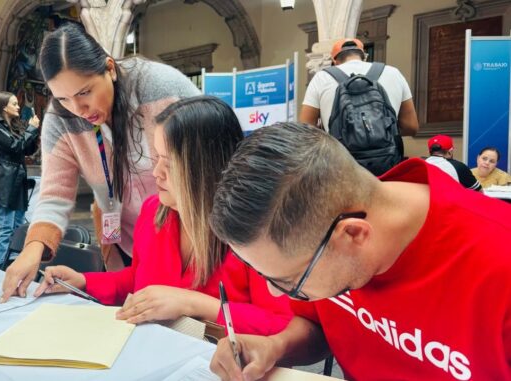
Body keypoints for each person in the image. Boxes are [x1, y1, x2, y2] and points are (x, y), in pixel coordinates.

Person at [208, 123, 511, 381]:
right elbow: (319, 324)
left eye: (290, 282)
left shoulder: (497, 266)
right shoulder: (328, 229)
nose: (277, 294)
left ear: (352, 234)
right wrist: (276, 346)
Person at [36, 96, 292, 335]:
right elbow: (138, 281)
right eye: (155, 158)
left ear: (205, 168)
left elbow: (284, 327)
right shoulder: (154, 212)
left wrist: (194, 304)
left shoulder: (255, 231)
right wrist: (83, 282)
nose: (156, 172)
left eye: (168, 164)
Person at [0, 20, 200, 302]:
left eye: (85, 92)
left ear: (109, 68)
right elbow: (55, 195)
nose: (78, 109)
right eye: (63, 98)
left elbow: (212, 154)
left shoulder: (160, 87)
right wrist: (32, 249)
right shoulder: (62, 117)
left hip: (194, 244)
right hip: (133, 246)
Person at [300, 38, 419, 136]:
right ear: (365, 57)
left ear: (334, 61)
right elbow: (411, 127)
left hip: (340, 159)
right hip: (386, 158)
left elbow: (305, 129)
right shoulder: (394, 73)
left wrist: (326, 127)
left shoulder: (321, 77)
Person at [0, 91, 40, 268]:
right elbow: (15, 146)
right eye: (14, 104)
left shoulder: (15, 125)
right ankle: (1, 263)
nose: (18, 107)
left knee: (18, 225)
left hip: (19, 176)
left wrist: (34, 129)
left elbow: (27, 149)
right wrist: (30, 130)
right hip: (6, 177)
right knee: (6, 225)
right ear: (4, 106)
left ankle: (15, 260)